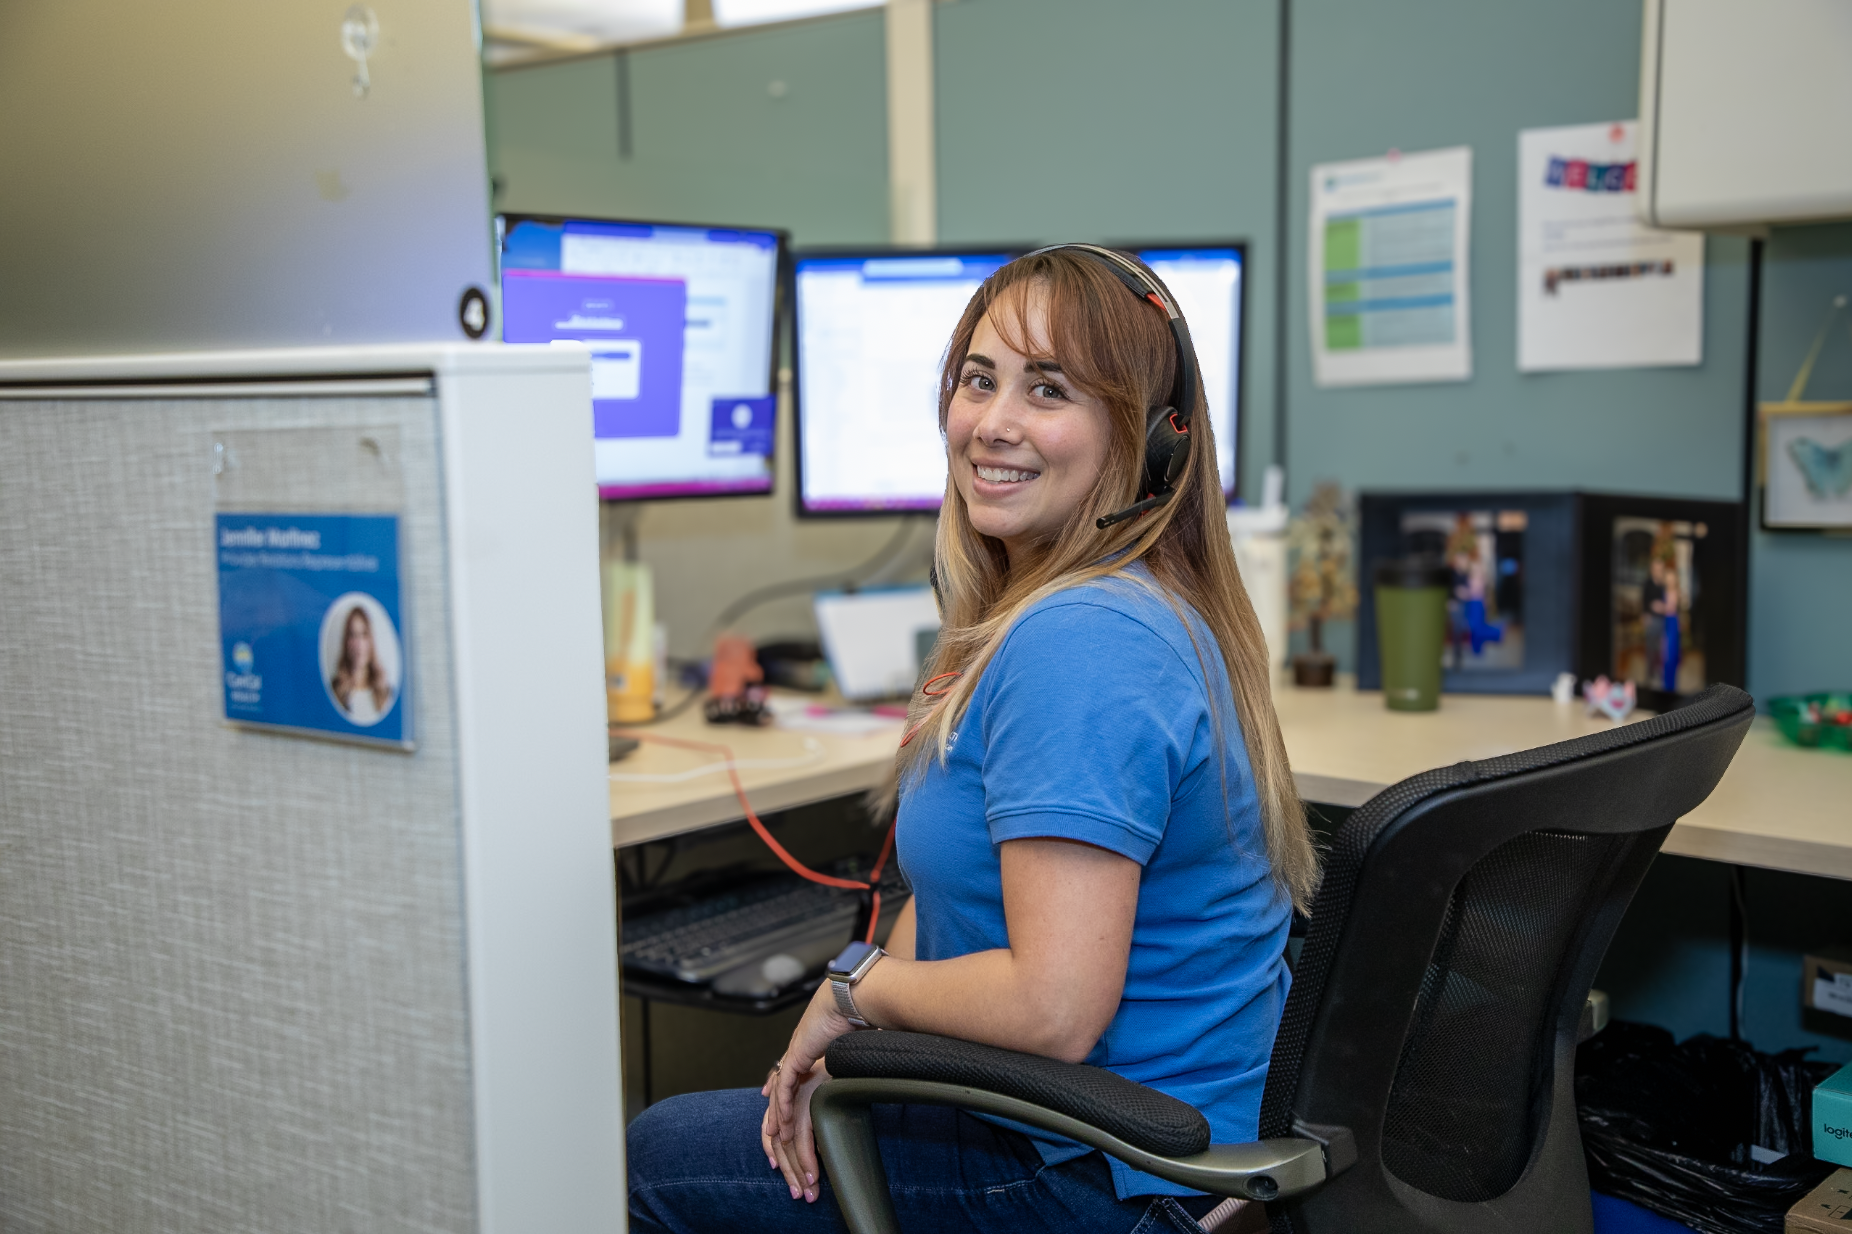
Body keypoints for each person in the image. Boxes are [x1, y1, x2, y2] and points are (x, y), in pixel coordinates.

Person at [626, 249, 1319, 1234]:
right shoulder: (1124, 606)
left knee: (653, 1154)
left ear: (1151, 441)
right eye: (977, 380)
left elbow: (1052, 1008)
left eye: (1049, 390)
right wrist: (876, 980)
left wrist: (854, 991)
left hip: (1106, 1172)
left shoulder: (1080, 639)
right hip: (1171, 1146)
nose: (993, 422)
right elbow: (958, 897)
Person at [329, 604, 391, 722]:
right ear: (346, 642)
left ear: (371, 641)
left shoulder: (385, 691)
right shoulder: (335, 689)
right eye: (353, 635)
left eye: (364, 635)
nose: (359, 645)